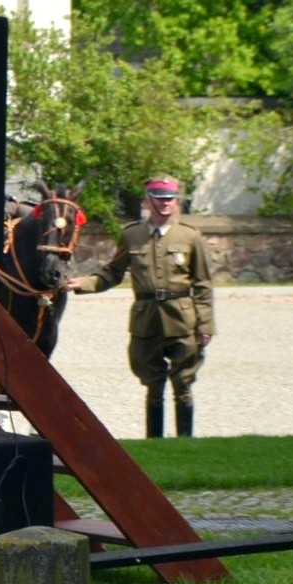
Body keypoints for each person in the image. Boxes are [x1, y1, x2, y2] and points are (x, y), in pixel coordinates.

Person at [66, 176, 213, 438]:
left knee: (183, 383)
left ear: (176, 201)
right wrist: (83, 283)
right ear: (147, 201)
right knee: (153, 384)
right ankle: (154, 442)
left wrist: (205, 324)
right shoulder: (132, 235)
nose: (165, 203)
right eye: (159, 199)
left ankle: (186, 443)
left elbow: (202, 284)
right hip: (146, 320)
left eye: (170, 199)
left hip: (183, 320)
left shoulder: (190, 236)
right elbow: (112, 273)